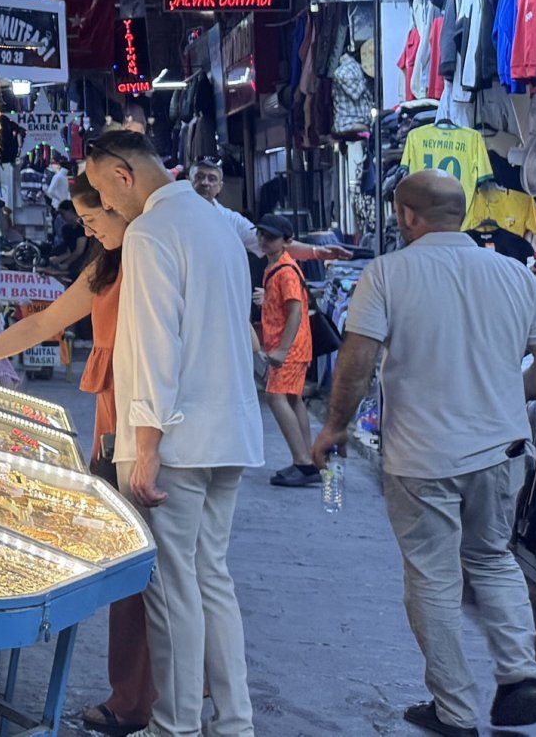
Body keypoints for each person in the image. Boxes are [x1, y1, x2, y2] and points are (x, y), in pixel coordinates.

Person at [310, 172, 536, 737]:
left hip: (422, 455)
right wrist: (506, 394)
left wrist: (334, 427)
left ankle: (454, 711)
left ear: (407, 216)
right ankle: (520, 673)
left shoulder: (387, 274)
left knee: (431, 578)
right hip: (501, 450)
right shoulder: (512, 273)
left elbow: (356, 360)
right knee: (492, 557)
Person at [0, 175, 154, 736]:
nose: (89, 229)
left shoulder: (152, 258)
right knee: (137, 583)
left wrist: (148, 446)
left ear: (121, 202)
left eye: (95, 219)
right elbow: (46, 323)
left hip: (143, 428)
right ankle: (140, 697)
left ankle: (148, 702)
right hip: (112, 422)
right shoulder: (108, 264)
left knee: (149, 581)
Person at [82, 127, 261, 737]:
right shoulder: (218, 225)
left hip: (177, 438)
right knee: (212, 580)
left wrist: (148, 447)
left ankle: (176, 725)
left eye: (106, 191)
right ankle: (233, 722)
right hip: (228, 430)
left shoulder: (154, 232)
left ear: (124, 175)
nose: (107, 206)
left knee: (173, 588)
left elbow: (158, 344)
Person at [251, 217, 317, 488]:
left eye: (271, 237)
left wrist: (282, 349)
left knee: (276, 397)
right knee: (292, 399)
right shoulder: (279, 267)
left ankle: (303, 462)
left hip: (289, 347)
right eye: (262, 234)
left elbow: (296, 311)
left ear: (286, 241)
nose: (265, 240)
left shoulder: (285, 270)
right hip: (294, 345)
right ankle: (307, 459)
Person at [191, 157, 351, 265]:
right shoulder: (172, 215)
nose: (205, 183)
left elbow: (274, 244)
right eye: (199, 177)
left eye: (212, 179)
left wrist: (317, 252)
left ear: (220, 187)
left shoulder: (230, 220)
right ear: (189, 181)